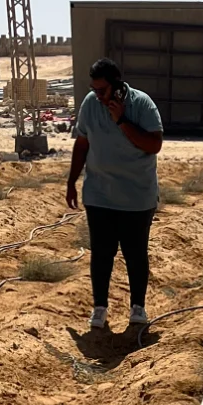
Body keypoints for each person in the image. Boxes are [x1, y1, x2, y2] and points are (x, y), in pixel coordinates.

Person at [66, 57, 164, 333]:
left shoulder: (142, 105)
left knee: (135, 253)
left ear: (118, 87)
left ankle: (138, 308)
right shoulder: (90, 104)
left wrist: (121, 119)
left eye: (102, 91)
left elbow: (154, 144)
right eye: (94, 89)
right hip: (99, 194)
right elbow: (82, 143)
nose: (97, 95)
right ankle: (99, 308)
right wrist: (72, 181)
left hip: (137, 197)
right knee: (101, 253)